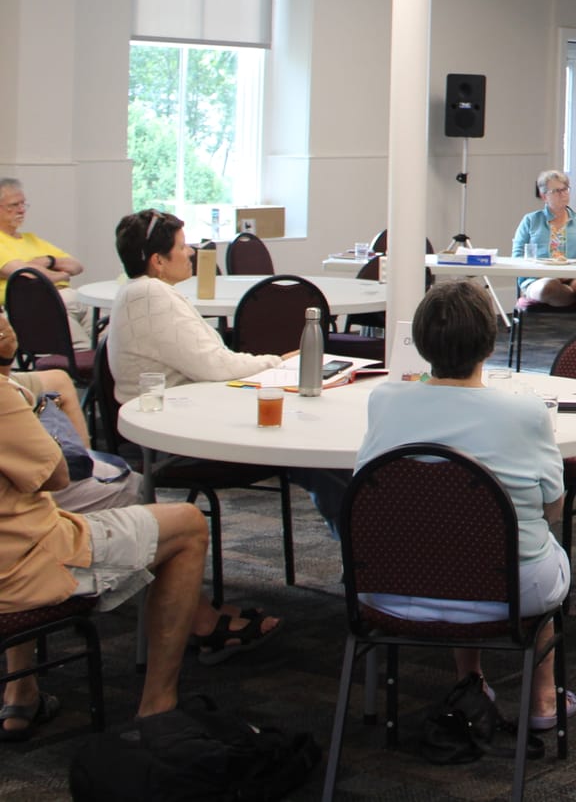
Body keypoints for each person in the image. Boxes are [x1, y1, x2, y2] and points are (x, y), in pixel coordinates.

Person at [354, 281, 573, 731]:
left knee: (449, 536)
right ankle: (544, 700)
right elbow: (553, 507)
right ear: (491, 343)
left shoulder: (383, 400)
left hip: (391, 586)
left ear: (418, 342)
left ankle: (470, 679)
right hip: (508, 593)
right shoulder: (526, 412)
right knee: (533, 548)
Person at [105, 210, 348, 534]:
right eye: (182, 246)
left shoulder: (134, 290)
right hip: (182, 432)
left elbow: (210, 362)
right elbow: (216, 365)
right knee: (311, 445)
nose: (191, 251)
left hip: (179, 416)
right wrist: (278, 361)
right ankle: (360, 539)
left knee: (307, 446)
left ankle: (357, 537)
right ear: (158, 261)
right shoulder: (152, 295)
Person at [0, 377, 215, 741]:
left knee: (27, 510)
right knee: (188, 525)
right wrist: (30, 411)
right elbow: (57, 474)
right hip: (23, 570)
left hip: (15, 547)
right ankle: (158, 709)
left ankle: (21, 692)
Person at [512, 170, 576, 329]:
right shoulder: (530, 221)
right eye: (556, 191)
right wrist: (548, 273)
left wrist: (571, 272)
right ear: (544, 196)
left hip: (574, 276)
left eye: (565, 189)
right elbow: (517, 258)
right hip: (538, 279)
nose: (563, 194)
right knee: (548, 287)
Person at [0, 178, 89, 338]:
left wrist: (49, 261)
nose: (21, 210)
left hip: (65, 300)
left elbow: (77, 265)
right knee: (85, 348)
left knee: (108, 333)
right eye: (14, 205)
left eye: (23, 204)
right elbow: (26, 273)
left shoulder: (31, 239)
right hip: (32, 308)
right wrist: (61, 275)